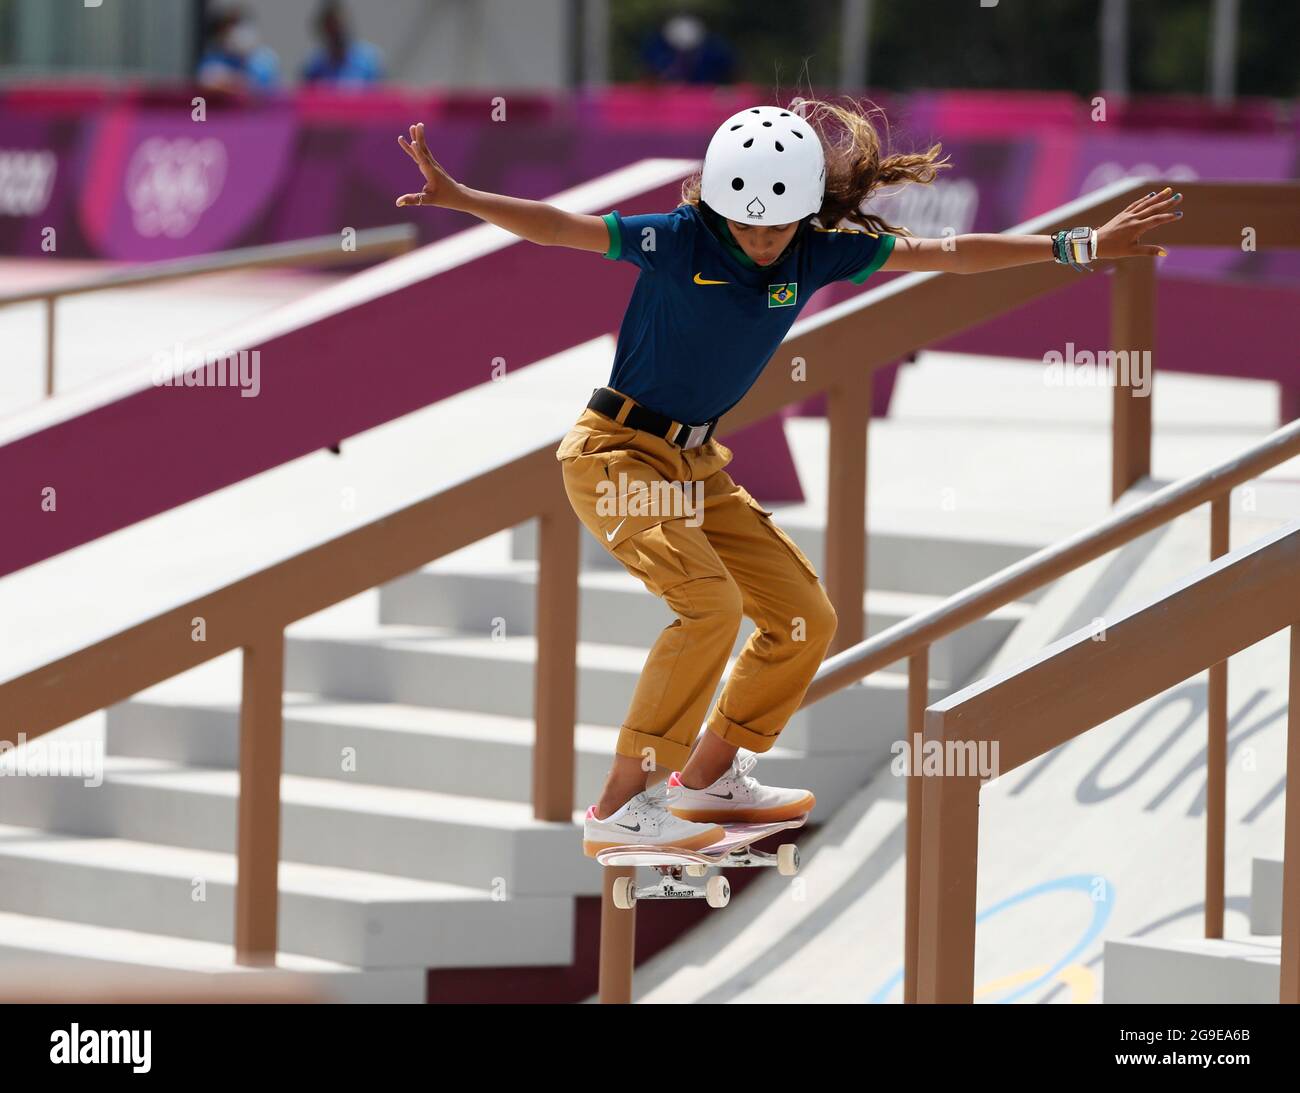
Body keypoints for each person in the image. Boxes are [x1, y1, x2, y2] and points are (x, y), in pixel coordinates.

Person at [393, 100, 1183, 857]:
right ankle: (622, 807)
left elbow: (947, 255)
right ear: (716, 206)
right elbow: (560, 228)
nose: (761, 241)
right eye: (745, 223)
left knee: (804, 615)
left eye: (776, 227)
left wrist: (1077, 246)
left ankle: (705, 781)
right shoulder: (675, 239)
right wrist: (463, 197)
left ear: (805, 214)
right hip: (616, 456)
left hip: (697, 464)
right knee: (709, 606)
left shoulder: (818, 251)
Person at [196, 4, 281, 93]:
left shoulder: (264, 59)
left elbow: (267, 87)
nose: (238, 34)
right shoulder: (214, 59)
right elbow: (207, 82)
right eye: (231, 28)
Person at [301, 0, 384, 87]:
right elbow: (306, 94)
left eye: (340, 27)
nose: (337, 34)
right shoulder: (314, 67)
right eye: (332, 30)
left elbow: (382, 95)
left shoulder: (369, 62)